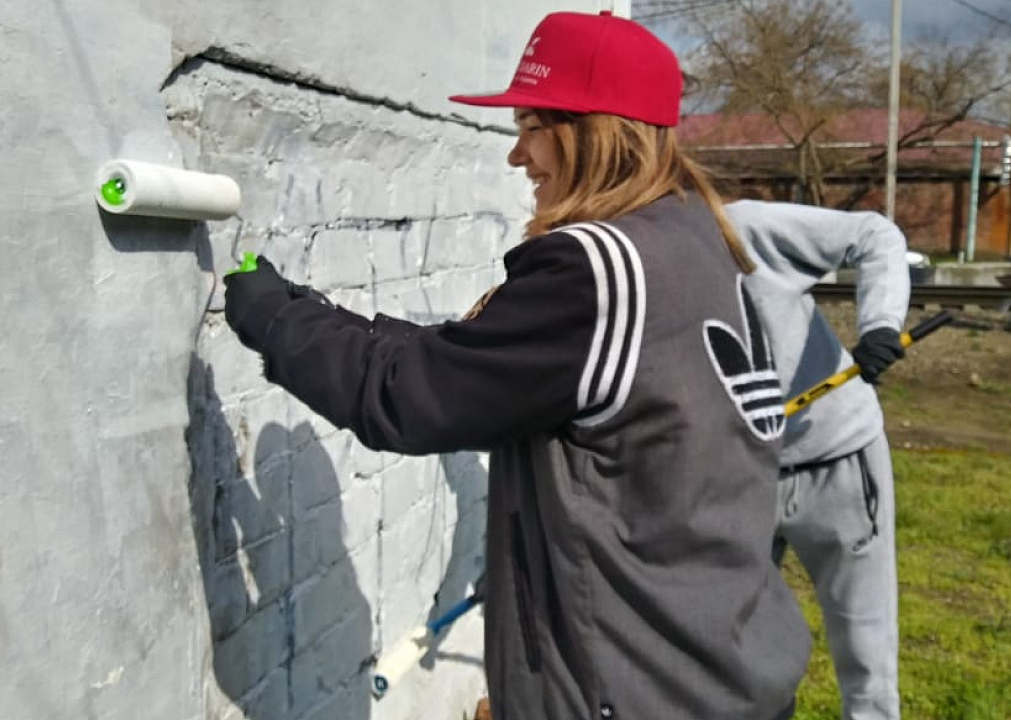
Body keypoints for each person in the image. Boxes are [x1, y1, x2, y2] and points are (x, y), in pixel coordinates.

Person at [223, 11, 810, 720]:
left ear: (588, 132)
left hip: (642, 693)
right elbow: (476, 365)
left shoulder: (597, 271)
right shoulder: (691, 242)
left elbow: (409, 399)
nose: (517, 157)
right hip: (723, 665)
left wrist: (276, 318)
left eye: (530, 126)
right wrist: (319, 312)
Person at [724, 199, 911, 720]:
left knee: (864, 647)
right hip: (737, 477)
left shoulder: (742, 227)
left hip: (838, 461)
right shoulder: (630, 258)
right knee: (731, 645)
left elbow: (875, 235)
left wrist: (880, 324)